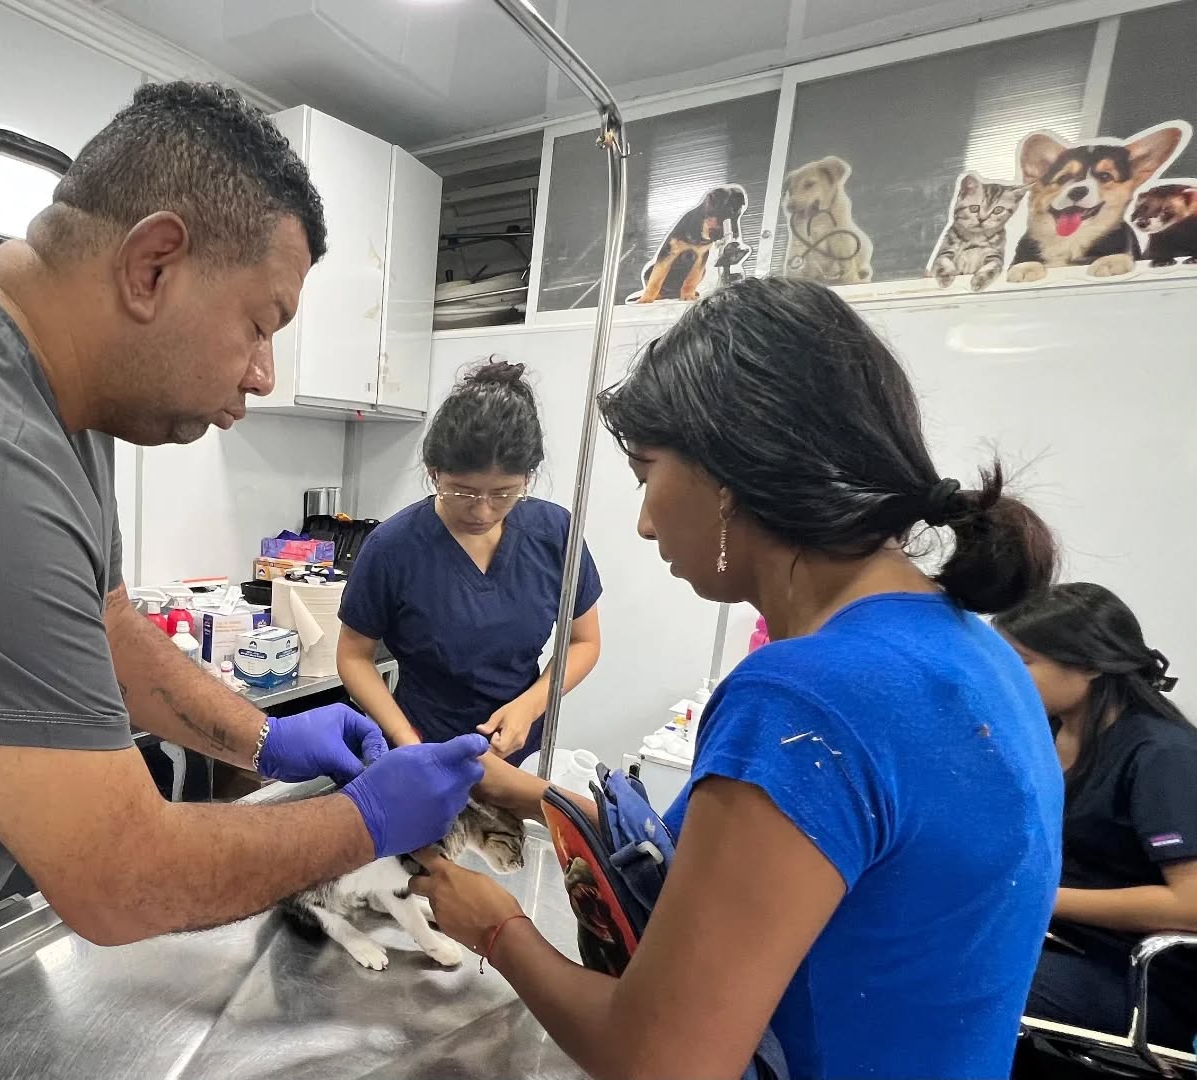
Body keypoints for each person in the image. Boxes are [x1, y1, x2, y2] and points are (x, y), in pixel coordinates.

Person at [0, 81, 487, 1023]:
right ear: (152, 265)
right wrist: (367, 821)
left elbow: (105, 625)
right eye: (260, 325)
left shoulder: (55, 395)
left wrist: (262, 739)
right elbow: (120, 879)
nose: (263, 375)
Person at [412, 277, 1065, 1080]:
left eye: (647, 473)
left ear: (728, 475)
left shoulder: (803, 698)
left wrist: (496, 928)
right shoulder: (974, 651)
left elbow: (659, 1063)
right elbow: (758, 876)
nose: (644, 521)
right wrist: (532, 796)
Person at [336, 360, 601, 763]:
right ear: (434, 473)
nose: (482, 510)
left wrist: (530, 706)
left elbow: (584, 641)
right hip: (424, 749)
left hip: (520, 751)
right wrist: (406, 738)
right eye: (462, 492)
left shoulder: (555, 533)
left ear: (528, 478)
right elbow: (354, 656)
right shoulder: (393, 547)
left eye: (504, 493)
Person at [996, 583, 1197, 1049]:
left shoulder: (1161, 755)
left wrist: (1038, 898)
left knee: (959, 978)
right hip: (1060, 943)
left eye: (1022, 661)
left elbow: (1190, 905)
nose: (1003, 676)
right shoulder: (1044, 734)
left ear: (1090, 664)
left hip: (1141, 982)